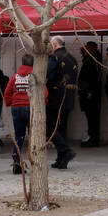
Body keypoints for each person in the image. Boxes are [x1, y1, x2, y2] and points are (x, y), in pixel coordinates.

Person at [46, 36, 78, 169]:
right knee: (62, 127)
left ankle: (65, 151)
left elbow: (48, 75)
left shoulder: (54, 58)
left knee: (49, 126)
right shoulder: (73, 58)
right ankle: (61, 159)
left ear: (54, 44)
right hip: (69, 96)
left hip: (56, 97)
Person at [4, 53, 34, 174]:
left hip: (16, 107)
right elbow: (45, 93)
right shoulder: (34, 75)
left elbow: (7, 92)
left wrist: (9, 103)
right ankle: (34, 162)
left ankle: (16, 162)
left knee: (19, 136)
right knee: (33, 136)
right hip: (30, 107)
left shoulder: (15, 76)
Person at [78, 42, 103, 148]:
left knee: (92, 117)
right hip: (91, 93)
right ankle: (92, 137)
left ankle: (93, 139)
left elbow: (89, 78)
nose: (84, 50)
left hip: (90, 94)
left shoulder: (92, 61)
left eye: (86, 48)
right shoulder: (94, 60)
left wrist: (86, 91)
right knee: (92, 117)